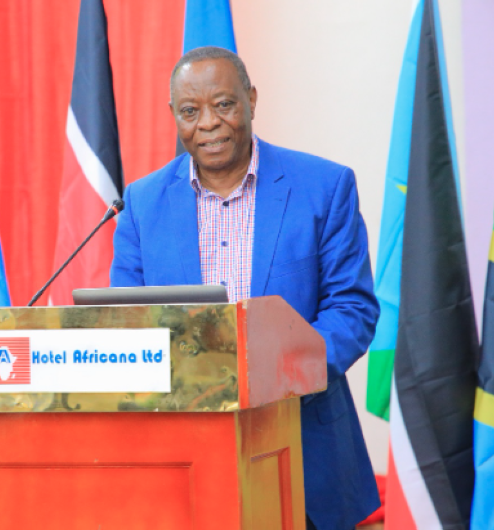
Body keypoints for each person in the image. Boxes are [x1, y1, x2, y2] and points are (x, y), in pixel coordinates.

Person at [110, 46, 380, 530]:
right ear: (174, 116)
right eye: (191, 112)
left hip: (305, 453)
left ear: (251, 100)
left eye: (224, 104)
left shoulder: (324, 186)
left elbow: (352, 310)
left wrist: (280, 372)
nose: (208, 123)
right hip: (180, 464)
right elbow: (126, 321)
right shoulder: (142, 203)